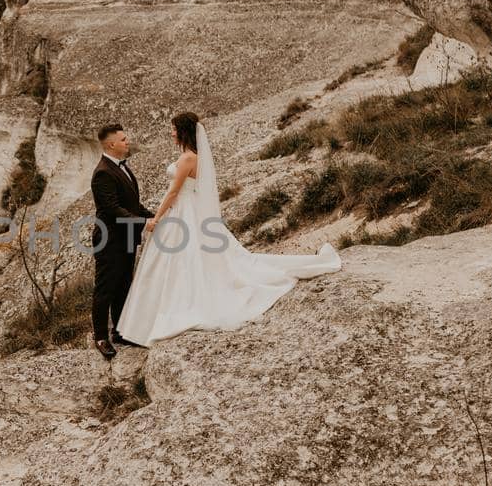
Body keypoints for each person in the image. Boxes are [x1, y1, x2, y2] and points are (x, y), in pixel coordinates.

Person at [114, 111, 340, 346]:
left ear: (183, 131)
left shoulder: (187, 159)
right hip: (185, 210)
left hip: (181, 212)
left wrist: (156, 218)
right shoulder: (193, 156)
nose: (171, 133)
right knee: (185, 259)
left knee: (181, 260)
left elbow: (173, 192)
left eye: (173, 129)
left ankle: (159, 316)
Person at [89, 123, 154, 360]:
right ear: (111, 144)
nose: (128, 142)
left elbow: (131, 205)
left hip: (126, 237)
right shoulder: (103, 172)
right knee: (105, 288)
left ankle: (120, 331)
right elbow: (112, 209)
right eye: (124, 139)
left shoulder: (122, 167)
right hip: (109, 239)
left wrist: (152, 215)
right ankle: (100, 337)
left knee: (124, 284)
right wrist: (144, 223)